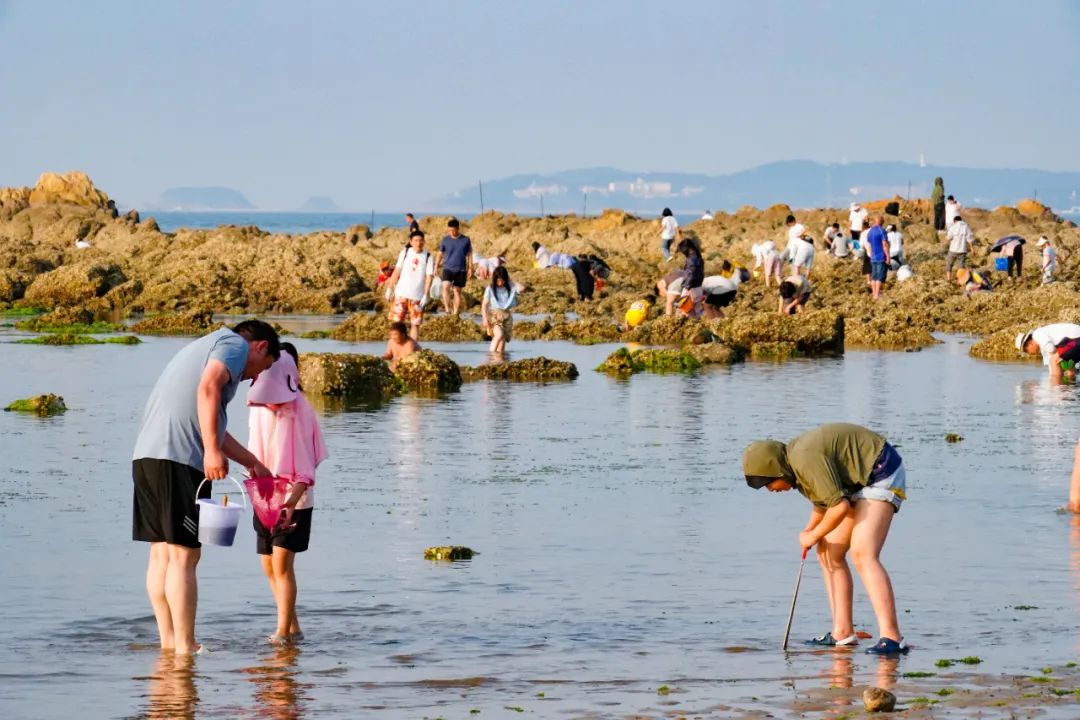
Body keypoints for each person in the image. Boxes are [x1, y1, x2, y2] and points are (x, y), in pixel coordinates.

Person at [132, 320, 280, 655]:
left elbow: (210, 422)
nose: (256, 377)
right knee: (186, 554)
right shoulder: (234, 345)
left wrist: (253, 463)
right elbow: (209, 390)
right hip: (180, 459)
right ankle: (185, 646)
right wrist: (211, 451)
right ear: (259, 346)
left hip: (147, 456)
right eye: (264, 367)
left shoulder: (204, 345)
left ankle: (169, 644)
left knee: (162, 553)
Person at [742, 423, 909, 655]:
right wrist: (809, 531)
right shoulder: (796, 469)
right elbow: (824, 503)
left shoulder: (804, 459)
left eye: (768, 484)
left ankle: (892, 637)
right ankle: (842, 633)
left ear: (776, 471)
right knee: (829, 552)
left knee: (863, 554)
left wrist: (813, 534)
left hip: (880, 471)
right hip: (855, 483)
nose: (770, 490)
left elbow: (839, 507)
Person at [246, 343, 327, 647]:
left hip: (296, 498)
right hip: (265, 495)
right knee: (268, 564)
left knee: (282, 565)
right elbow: (254, 451)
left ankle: (282, 633)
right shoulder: (258, 409)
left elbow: (306, 465)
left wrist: (292, 500)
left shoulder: (300, 411)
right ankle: (293, 627)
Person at [386, 229, 434, 341]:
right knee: (396, 323)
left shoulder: (428, 256)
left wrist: (426, 294)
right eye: (416, 240)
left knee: (415, 324)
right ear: (411, 241)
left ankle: (412, 349)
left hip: (417, 296)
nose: (419, 243)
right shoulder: (405, 252)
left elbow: (429, 276)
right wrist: (389, 289)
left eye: (421, 240)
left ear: (424, 241)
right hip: (401, 294)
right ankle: (395, 348)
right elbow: (397, 271)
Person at [1015, 323, 1080, 381]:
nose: (1029, 354)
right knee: (1068, 370)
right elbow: (1052, 370)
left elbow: (1051, 349)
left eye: (1027, 351)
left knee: (1055, 360)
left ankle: (1057, 391)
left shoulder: (1037, 334)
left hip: (1076, 339)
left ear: (1029, 344)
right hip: (1073, 344)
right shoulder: (1043, 347)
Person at [436, 218, 473, 315]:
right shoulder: (445, 239)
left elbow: (470, 254)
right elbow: (440, 254)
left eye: (453, 230)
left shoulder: (465, 240)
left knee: (457, 291)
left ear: (458, 228)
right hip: (448, 268)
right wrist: (436, 266)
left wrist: (470, 268)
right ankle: (447, 310)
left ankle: (455, 313)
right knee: (445, 286)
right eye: (449, 230)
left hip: (461, 270)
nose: (451, 232)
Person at [481, 265, 519, 357]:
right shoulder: (490, 289)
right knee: (499, 335)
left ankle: (498, 361)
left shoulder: (509, 287)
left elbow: (522, 288)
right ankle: (490, 357)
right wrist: (485, 319)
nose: (500, 282)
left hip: (506, 316)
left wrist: (510, 280)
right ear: (495, 279)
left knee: (502, 340)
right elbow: (484, 305)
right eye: (498, 280)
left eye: (502, 280)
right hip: (494, 316)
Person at [674, 238, 705, 316]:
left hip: (690, 288)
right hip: (698, 287)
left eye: (682, 251)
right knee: (697, 313)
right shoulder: (698, 257)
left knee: (681, 311)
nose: (682, 253)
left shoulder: (691, 259)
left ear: (685, 249)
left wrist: (685, 287)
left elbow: (691, 273)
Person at [865, 216, 890, 300]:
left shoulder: (870, 232)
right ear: (881, 222)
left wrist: (871, 254)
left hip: (873, 256)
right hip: (880, 256)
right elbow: (884, 244)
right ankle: (877, 294)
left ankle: (874, 294)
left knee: (874, 276)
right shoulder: (882, 230)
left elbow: (869, 245)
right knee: (879, 276)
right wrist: (888, 256)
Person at [945, 215, 973, 279]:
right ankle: (960, 279)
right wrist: (972, 248)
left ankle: (949, 279)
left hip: (953, 249)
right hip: (962, 250)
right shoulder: (966, 227)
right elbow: (969, 239)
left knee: (949, 264)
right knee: (961, 266)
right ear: (961, 220)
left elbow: (948, 238)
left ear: (954, 221)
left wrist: (947, 238)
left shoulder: (953, 227)